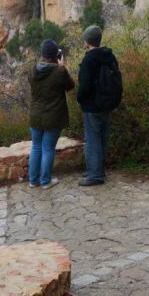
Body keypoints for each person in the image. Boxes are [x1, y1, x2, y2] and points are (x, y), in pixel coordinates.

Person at [75, 24, 121, 186]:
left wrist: (79, 98)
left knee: (93, 139)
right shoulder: (109, 56)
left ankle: (95, 175)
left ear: (87, 41)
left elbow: (85, 85)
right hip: (107, 103)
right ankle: (99, 170)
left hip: (92, 106)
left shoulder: (89, 59)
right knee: (102, 138)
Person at [28, 38, 74, 189]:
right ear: (56, 55)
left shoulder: (33, 70)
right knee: (48, 149)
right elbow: (70, 86)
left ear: (42, 54)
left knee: (36, 147)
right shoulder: (59, 71)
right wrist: (63, 67)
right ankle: (45, 181)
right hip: (53, 117)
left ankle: (33, 180)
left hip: (35, 116)